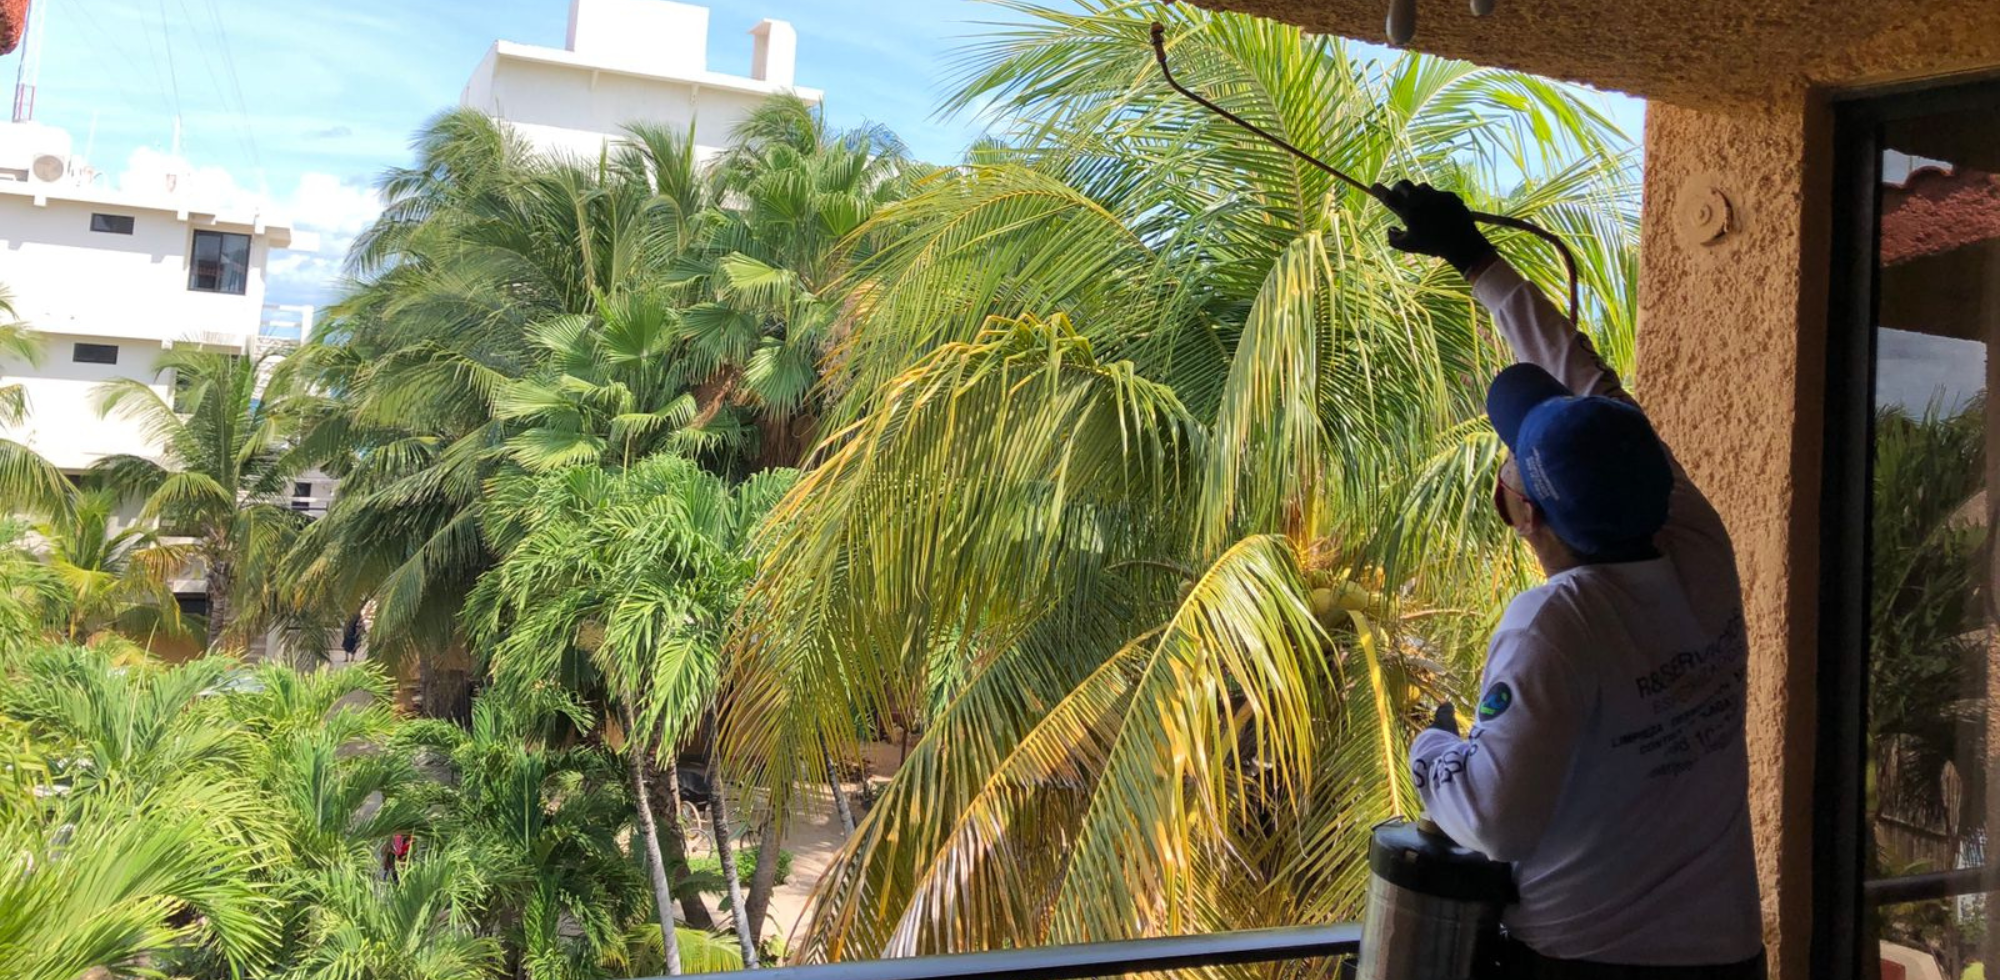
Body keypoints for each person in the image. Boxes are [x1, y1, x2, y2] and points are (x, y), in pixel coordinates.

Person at [1380, 181, 1764, 979]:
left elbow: (1494, 819)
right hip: (1728, 955)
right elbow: (1585, 379)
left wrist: (1431, 747)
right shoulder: (1698, 542)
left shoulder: (1558, 624)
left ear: (1518, 511)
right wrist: (1475, 259)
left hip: (1592, 962)